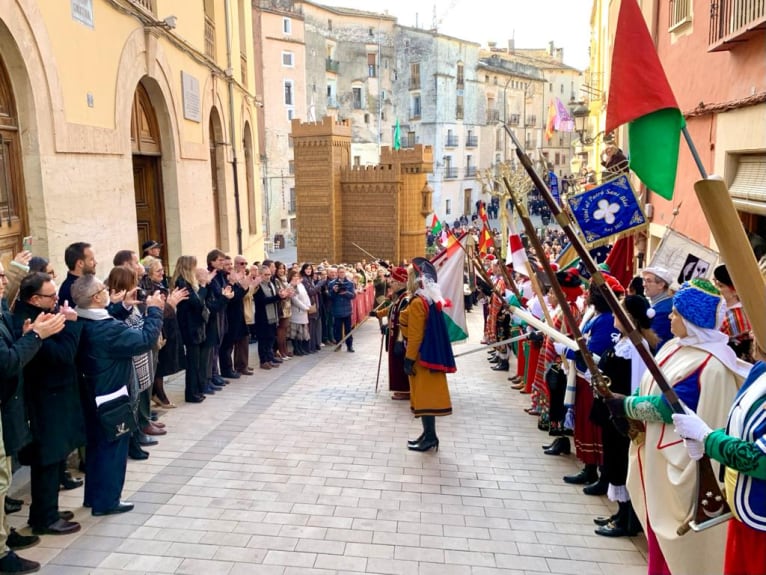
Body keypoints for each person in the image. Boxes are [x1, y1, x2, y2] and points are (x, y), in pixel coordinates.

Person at [607, 279, 750, 575]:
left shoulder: (709, 362)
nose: (669, 317)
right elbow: (653, 386)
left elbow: (669, 407)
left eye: (675, 314)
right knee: (660, 546)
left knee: (679, 551)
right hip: (662, 458)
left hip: (685, 466)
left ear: (691, 319)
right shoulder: (677, 348)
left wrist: (626, 406)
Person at [73, 273, 163, 516]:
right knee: (113, 449)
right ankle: (108, 501)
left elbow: (107, 318)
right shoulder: (106, 329)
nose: (106, 291)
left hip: (91, 394)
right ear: (95, 297)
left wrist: (120, 307)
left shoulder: (79, 319)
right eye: (103, 289)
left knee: (96, 447)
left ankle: (94, 497)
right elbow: (144, 339)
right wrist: (154, 311)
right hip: (111, 395)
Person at [673, 356, 766, 575]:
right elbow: (742, 431)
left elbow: (759, 459)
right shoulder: (760, 369)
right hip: (746, 511)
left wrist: (708, 439)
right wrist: (709, 438)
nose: (753, 334)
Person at [0, 264, 66, 574]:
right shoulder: (15, 313)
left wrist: (29, 336)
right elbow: (9, 362)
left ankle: (3, 540)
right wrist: (37, 335)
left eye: (5, 275)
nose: (4, 282)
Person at [13, 272, 84, 536]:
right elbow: (62, 356)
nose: (56, 299)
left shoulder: (38, 313)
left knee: (54, 460)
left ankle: (47, 510)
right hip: (44, 402)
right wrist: (72, 324)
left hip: (52, 399)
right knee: (47, 460)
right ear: (34, 298)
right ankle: (45, 518)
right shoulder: (30, 321)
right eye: (51, 296)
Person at [591, 295, 657, 537]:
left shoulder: (637, 347)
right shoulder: (624, 341)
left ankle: (629, 519)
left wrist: (622, 401)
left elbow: (638, 384)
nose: (615, 316)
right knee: (614, 462)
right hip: (614, 411)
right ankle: (621, 512)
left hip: (625, 416)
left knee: (622, 463)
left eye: (620, 312)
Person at [399, 258, 456, 452]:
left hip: (421, 358)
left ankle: (430, 437)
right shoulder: (427, 299)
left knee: (425, 398)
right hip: (426, 355)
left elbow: (415, 336)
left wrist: (408, 359)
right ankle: (428, 434)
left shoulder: (417, 303)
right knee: (425, 397)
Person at [172, 256, 209, 404]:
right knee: (193, 362)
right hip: (189, 326)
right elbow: (197, 303)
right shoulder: (183, 282)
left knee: (197, 361)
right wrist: (204, 287)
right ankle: (191, 393)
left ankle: (196, 390)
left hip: (193, 325)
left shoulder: (186, 282)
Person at [375, 267, 411, 400]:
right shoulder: (399, 298)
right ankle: (400, 387)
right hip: (393, 334)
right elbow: (392, 310)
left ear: (402, 283)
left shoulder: (405, 299)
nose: (391, 284)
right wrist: (379, 315)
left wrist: (399, 338)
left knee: (399, 362)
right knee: (395, 363)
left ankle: (405, 389)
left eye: (394, 282)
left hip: (399, 337)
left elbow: (404, 320)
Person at [714, 263, 754, 361]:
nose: (716, 289)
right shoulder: (722, 308)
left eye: (720, 286)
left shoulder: (737, 317)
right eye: (716, 284)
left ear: (735, 291)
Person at [641, 266, 674, 352]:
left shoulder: (665, 311)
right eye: (644, 280)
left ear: (661, 285)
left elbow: (654, 343)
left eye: (648, 281)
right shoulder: (660, 305)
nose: (644, 284)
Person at [58, 242, 96, 307]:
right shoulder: (72, 290)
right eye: (91, 260)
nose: (95, 262)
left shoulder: (86, 282)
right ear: (80, 263)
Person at [329, 267, 356, 352]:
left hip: (347, 310)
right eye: (340, 272)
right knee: (337, 329)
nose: (342, 274)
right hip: (337, 309)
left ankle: (349, 346)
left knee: (348, 329)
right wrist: (334, 291)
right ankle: (338, 344)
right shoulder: (332, 283)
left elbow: (353, 296)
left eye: (343, 272)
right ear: (337, 273)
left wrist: (346, 293)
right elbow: (330, 296)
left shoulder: (350, 283)